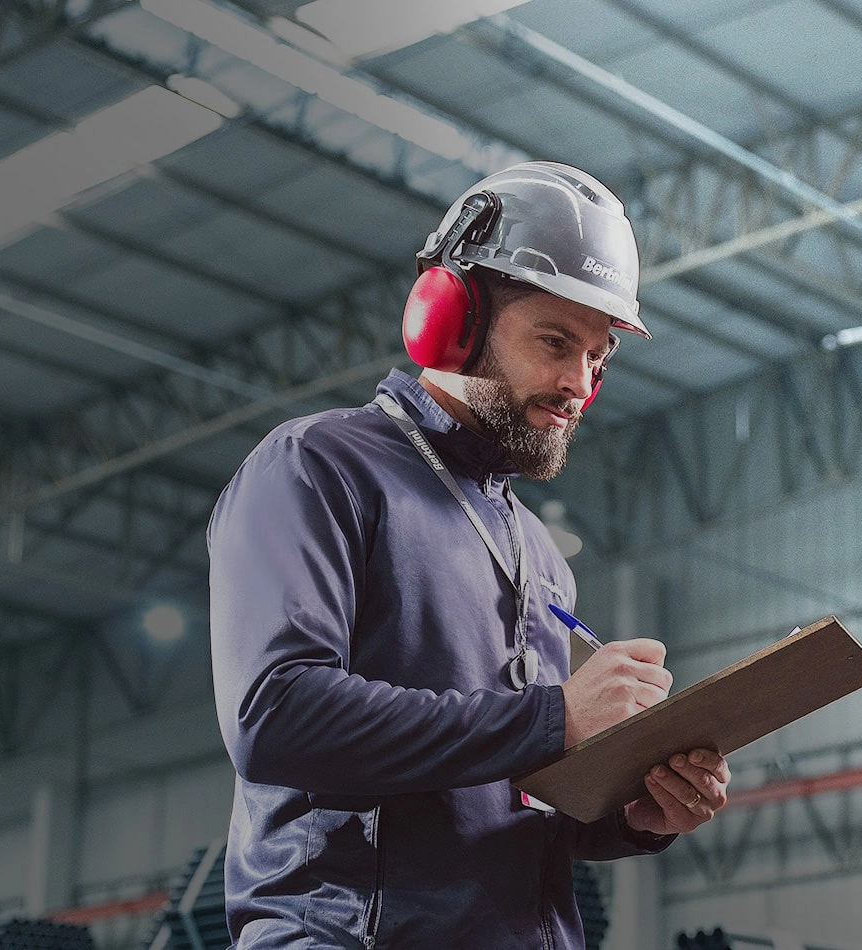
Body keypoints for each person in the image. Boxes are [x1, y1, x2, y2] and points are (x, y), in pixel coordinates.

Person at [208, 161, 727, 949]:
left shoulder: (541, 557)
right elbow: (273, 714)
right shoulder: (318, 468)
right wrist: (556, 718)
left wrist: (633, 813)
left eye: (597, 358)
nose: (576, 385)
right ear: (452, 317)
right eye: (555, 342)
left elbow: (509, 804)